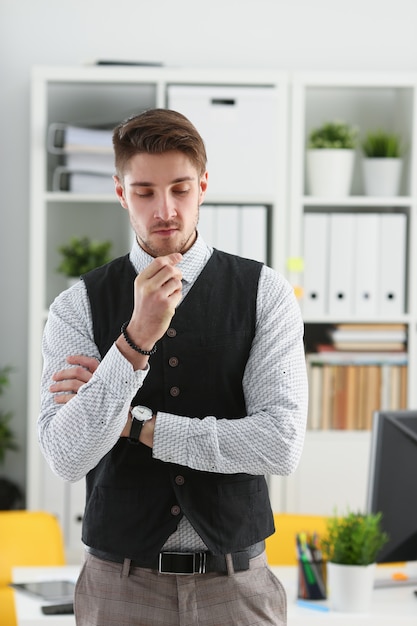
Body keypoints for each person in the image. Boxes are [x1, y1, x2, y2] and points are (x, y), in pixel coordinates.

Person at [38, 108, 308, 626]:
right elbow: (68, 458)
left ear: (203, 185)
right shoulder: (78, 306)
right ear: (121, 193)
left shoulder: (264, 293)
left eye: (180, 189)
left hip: (237, 586)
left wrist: (134, 425)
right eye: (144, 192)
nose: (165, 209)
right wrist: (135, 339)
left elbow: (280, 443)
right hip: (119, 586)